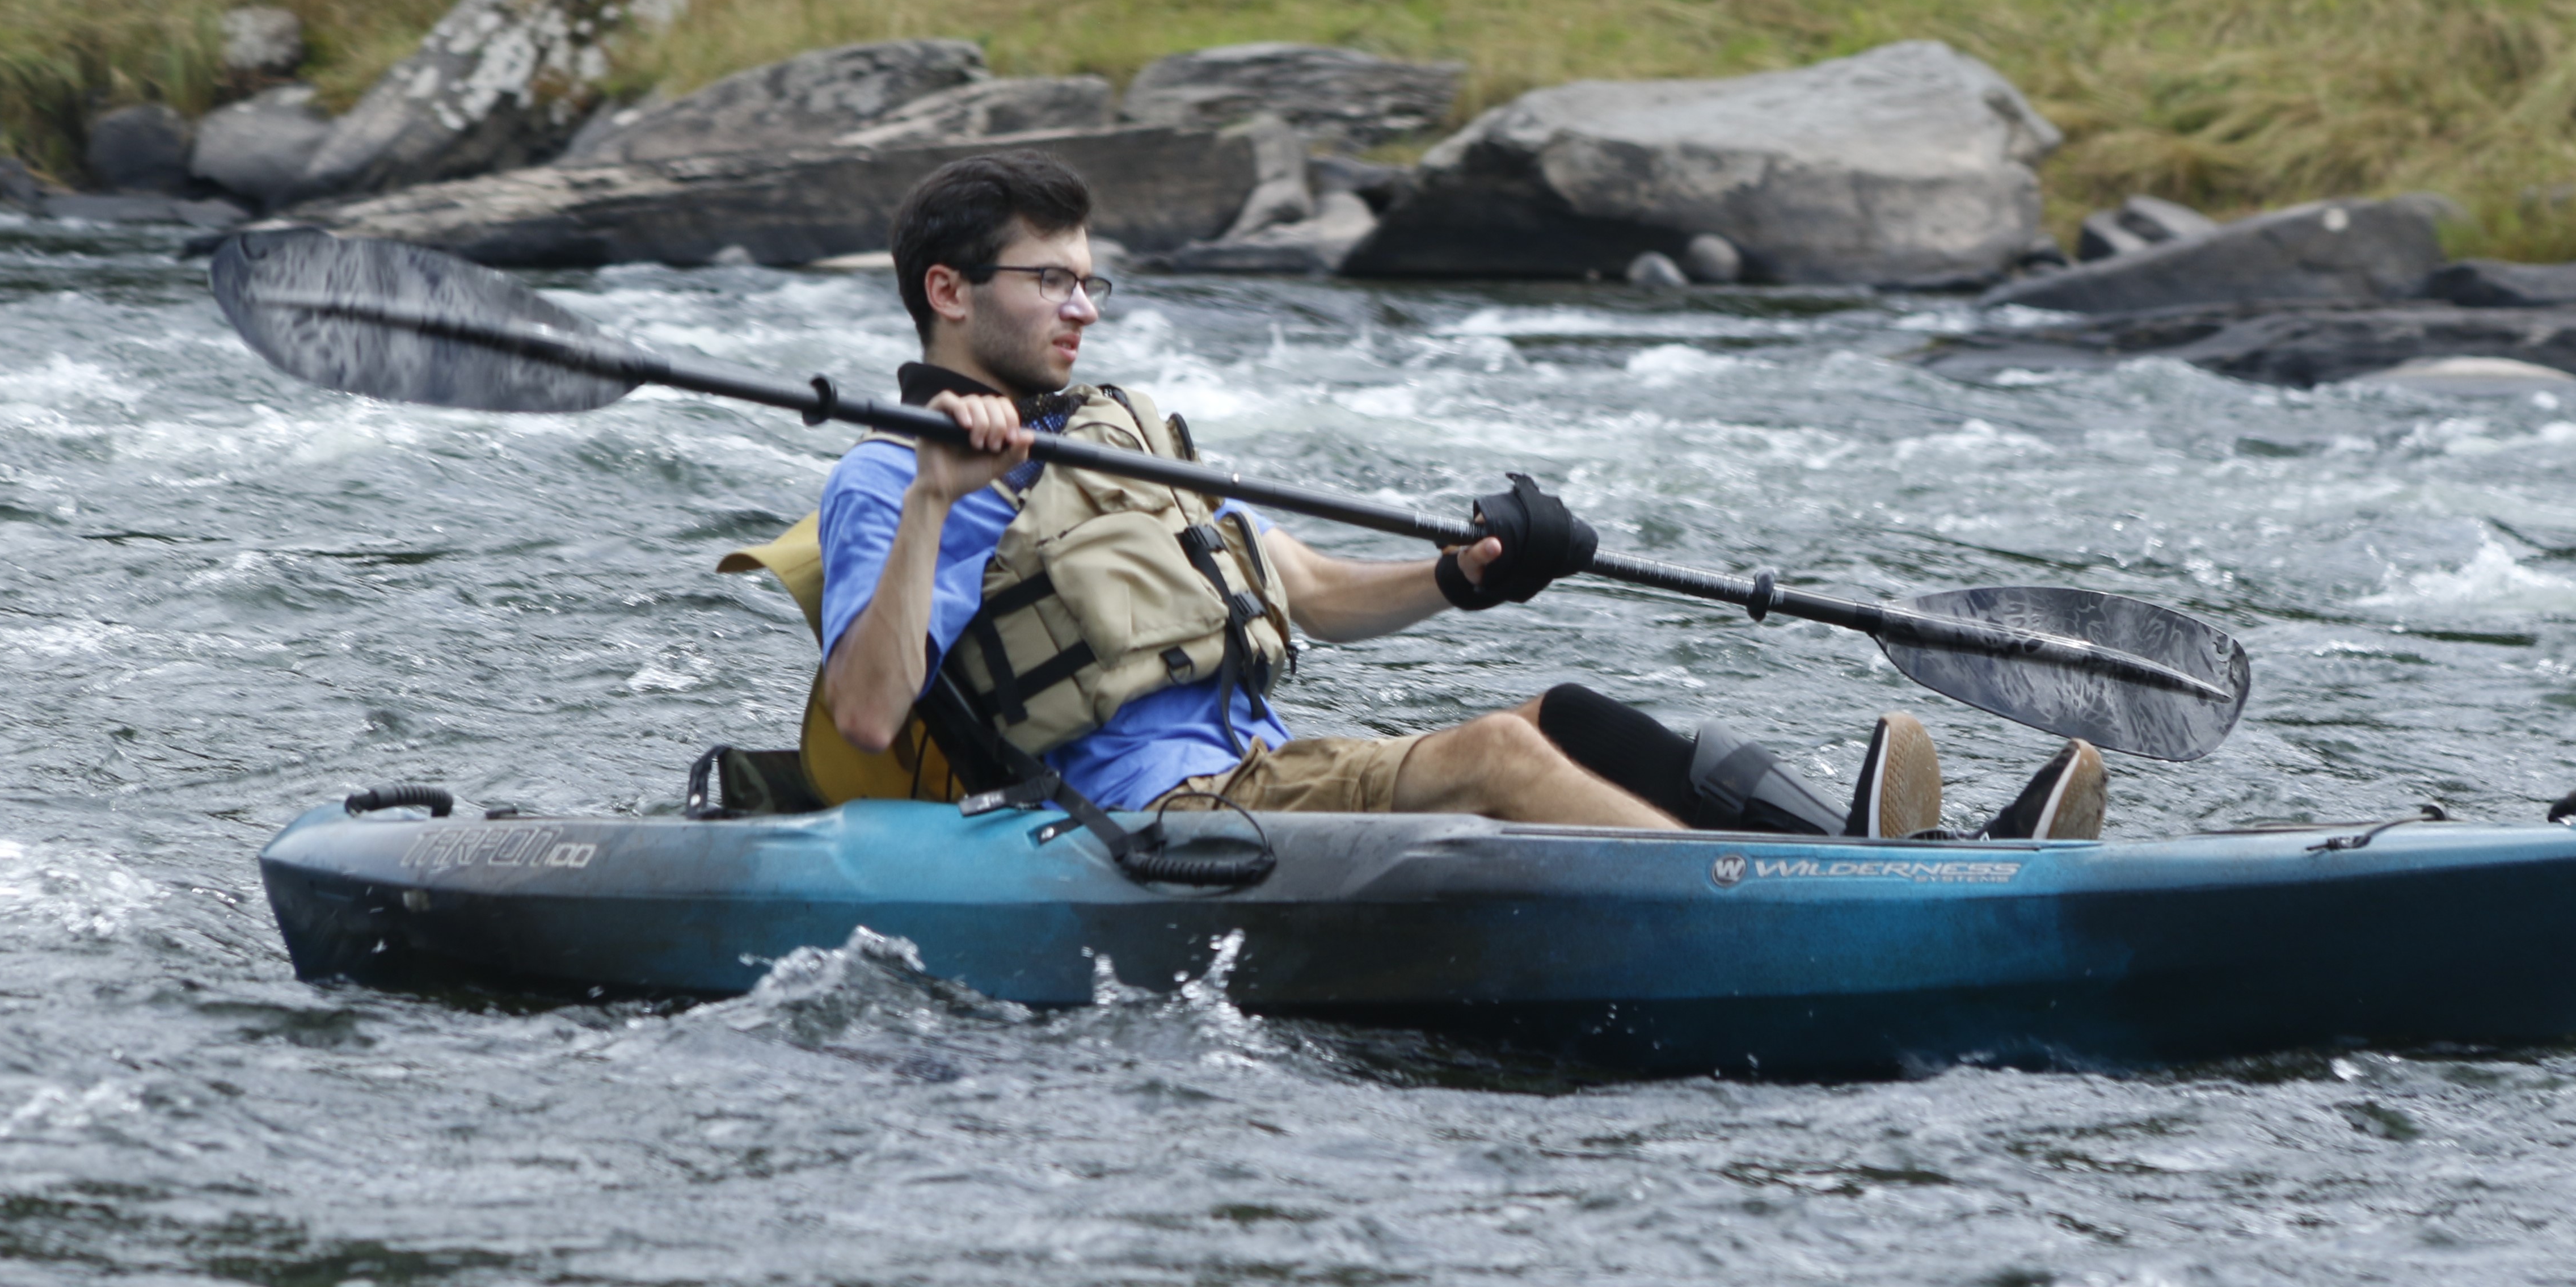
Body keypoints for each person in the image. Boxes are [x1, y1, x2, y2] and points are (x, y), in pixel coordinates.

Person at [810, 150, 2106, 840]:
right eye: (1055, 283)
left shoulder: (1120, 430)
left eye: (1096, 284)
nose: (1085, 308)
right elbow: (868, 717)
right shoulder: (889, 478)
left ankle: (1878, 862)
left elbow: (1300, 589)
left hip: (1262, 771)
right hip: (1150, 823)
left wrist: (1461, 576)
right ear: (949, 289)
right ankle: (1819, 898)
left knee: (1565, 712)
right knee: (1490, 753)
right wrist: (935, 496)